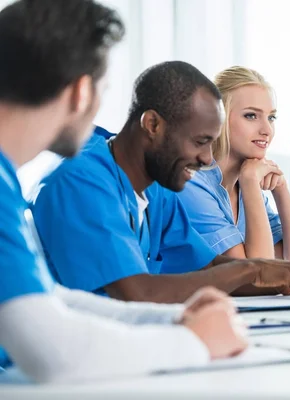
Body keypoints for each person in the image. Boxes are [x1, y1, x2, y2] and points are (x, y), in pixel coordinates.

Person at [0, 0, 246, 384]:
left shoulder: (6, 180)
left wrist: (172, 317)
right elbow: (53, 352)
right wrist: (195, 343)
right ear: (82, 91)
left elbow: (47, 300)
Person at [32, 61, 290, 304]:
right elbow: (135, 292)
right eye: (200, 142)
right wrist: (254, 269)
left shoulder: (157, 191)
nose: (208, 160)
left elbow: (208, 267)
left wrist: (288, 274)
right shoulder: (81, 183)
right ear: (153, 125)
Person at [172, 66, 290, 267]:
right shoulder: (191, 184)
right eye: (251, 116)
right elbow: (258, 276)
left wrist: (281, 190)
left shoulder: (245, 188)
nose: (267, 130)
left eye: (271, 117)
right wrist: (250, 183)